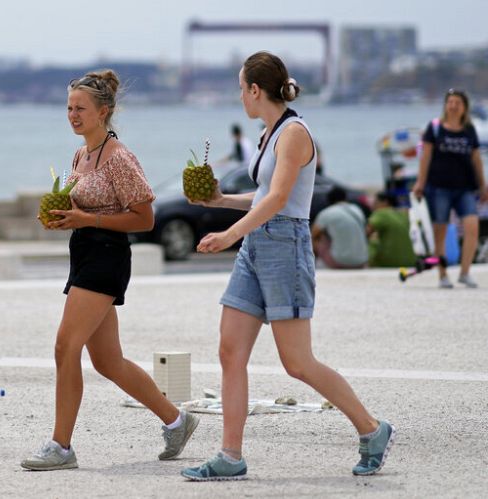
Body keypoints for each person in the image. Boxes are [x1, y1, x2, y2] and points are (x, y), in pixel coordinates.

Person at [183, 51, 393, 481]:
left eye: (241, 89)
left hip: (285, 244)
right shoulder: (268, 134)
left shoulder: (293, 133)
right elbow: (264, 196)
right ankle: (230, 455)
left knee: (297, 362)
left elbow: (280, 200)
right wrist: (220, 200)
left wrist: (229, 234)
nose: (240, 96)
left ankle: (372, 429)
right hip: (258, 245)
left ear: (256, 90)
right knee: (229, 351)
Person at [20, 70, 199, 471]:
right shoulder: (80, 155)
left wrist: (87, 220)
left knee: (65, 347)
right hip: (83, 251)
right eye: (68, 107)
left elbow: (145, 219)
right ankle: (177, 419)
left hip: (107, 256)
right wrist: (64, 217)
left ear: (104, 111)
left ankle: (61, 446)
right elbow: (82, 209)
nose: (72, 114)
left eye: (80, 108)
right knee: (107, 361)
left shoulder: (120, 157)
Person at [412, 89, 487, 288]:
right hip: (438, 187)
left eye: (458, 103)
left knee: (472, 227)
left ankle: (465, 272)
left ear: (464, 108)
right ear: (446, 105)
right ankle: (443, 274)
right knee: (440, 231)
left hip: (465, 187)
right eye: (450, 102)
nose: (453, 106)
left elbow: (476, 159)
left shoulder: (469, 129)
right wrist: (420, 182)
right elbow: (425, 157)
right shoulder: (435, 128)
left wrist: (483, 185)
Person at [311, 186, 369, 269]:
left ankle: (315, 264)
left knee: (320, 238)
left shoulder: (326, 213)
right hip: (361, 261)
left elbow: (313, 235)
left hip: (340, 261)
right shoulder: (357, 210)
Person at [367, 191, 416, 268]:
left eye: (375, 202)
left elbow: (365, 232)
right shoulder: (405, 213)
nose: (372, 206)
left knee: (373, 243)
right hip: (411, 261)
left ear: (385, 202)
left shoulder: (381, 213)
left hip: (388, 262)